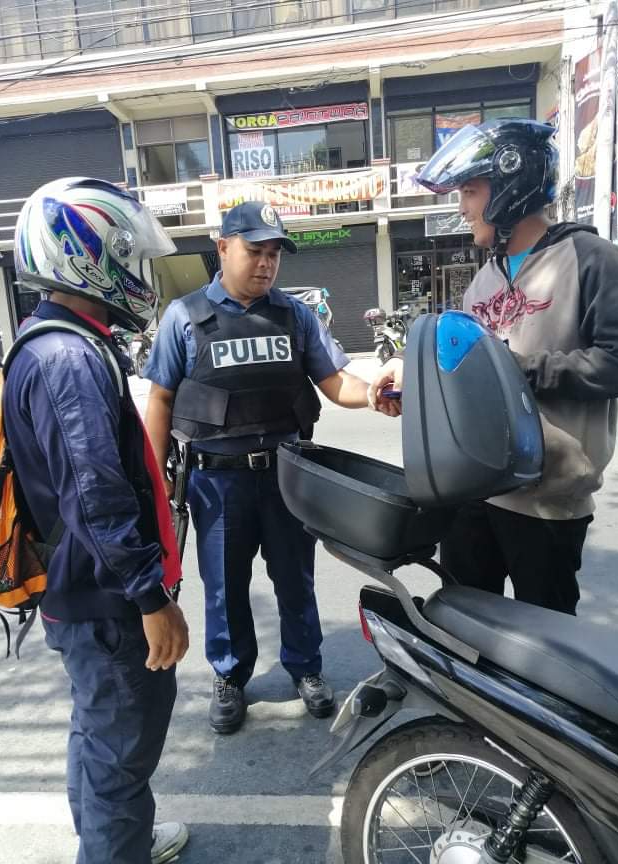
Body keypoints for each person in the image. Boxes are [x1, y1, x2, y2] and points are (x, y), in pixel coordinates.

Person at [144, 201, 391, 734]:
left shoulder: (295, 316)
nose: (266, 263)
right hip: (217, 480)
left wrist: (372, 393)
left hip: (285, 473)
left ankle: (307, 668)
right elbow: (160, 398)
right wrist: (155, 474)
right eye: (254, 251)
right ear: (222, 248)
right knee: (224, 587)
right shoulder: (184, 317)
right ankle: (230, 676)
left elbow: (336, 382)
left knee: (295, 581)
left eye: (274, 253)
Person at [370, 118, 618, 615]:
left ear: (512, 186)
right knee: (469, 626)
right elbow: (465, 365)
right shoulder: (482, 281)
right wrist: (410, 375)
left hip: (550, 500)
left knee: (548, 650)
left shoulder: (592, 258)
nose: (462, 207)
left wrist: (519, 369)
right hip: (478, 489)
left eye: (469, 191)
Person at [5, 177, 190, 864]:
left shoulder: (52, 339)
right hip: (109, 603)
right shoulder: (68, 356)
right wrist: (151, 598)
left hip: (77, 592)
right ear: (83, 256)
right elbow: (98, 495)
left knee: (96, 736)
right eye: (125, 254)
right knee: (119, 761)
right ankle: (116, 847)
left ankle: (118, 842)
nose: (135, 272)